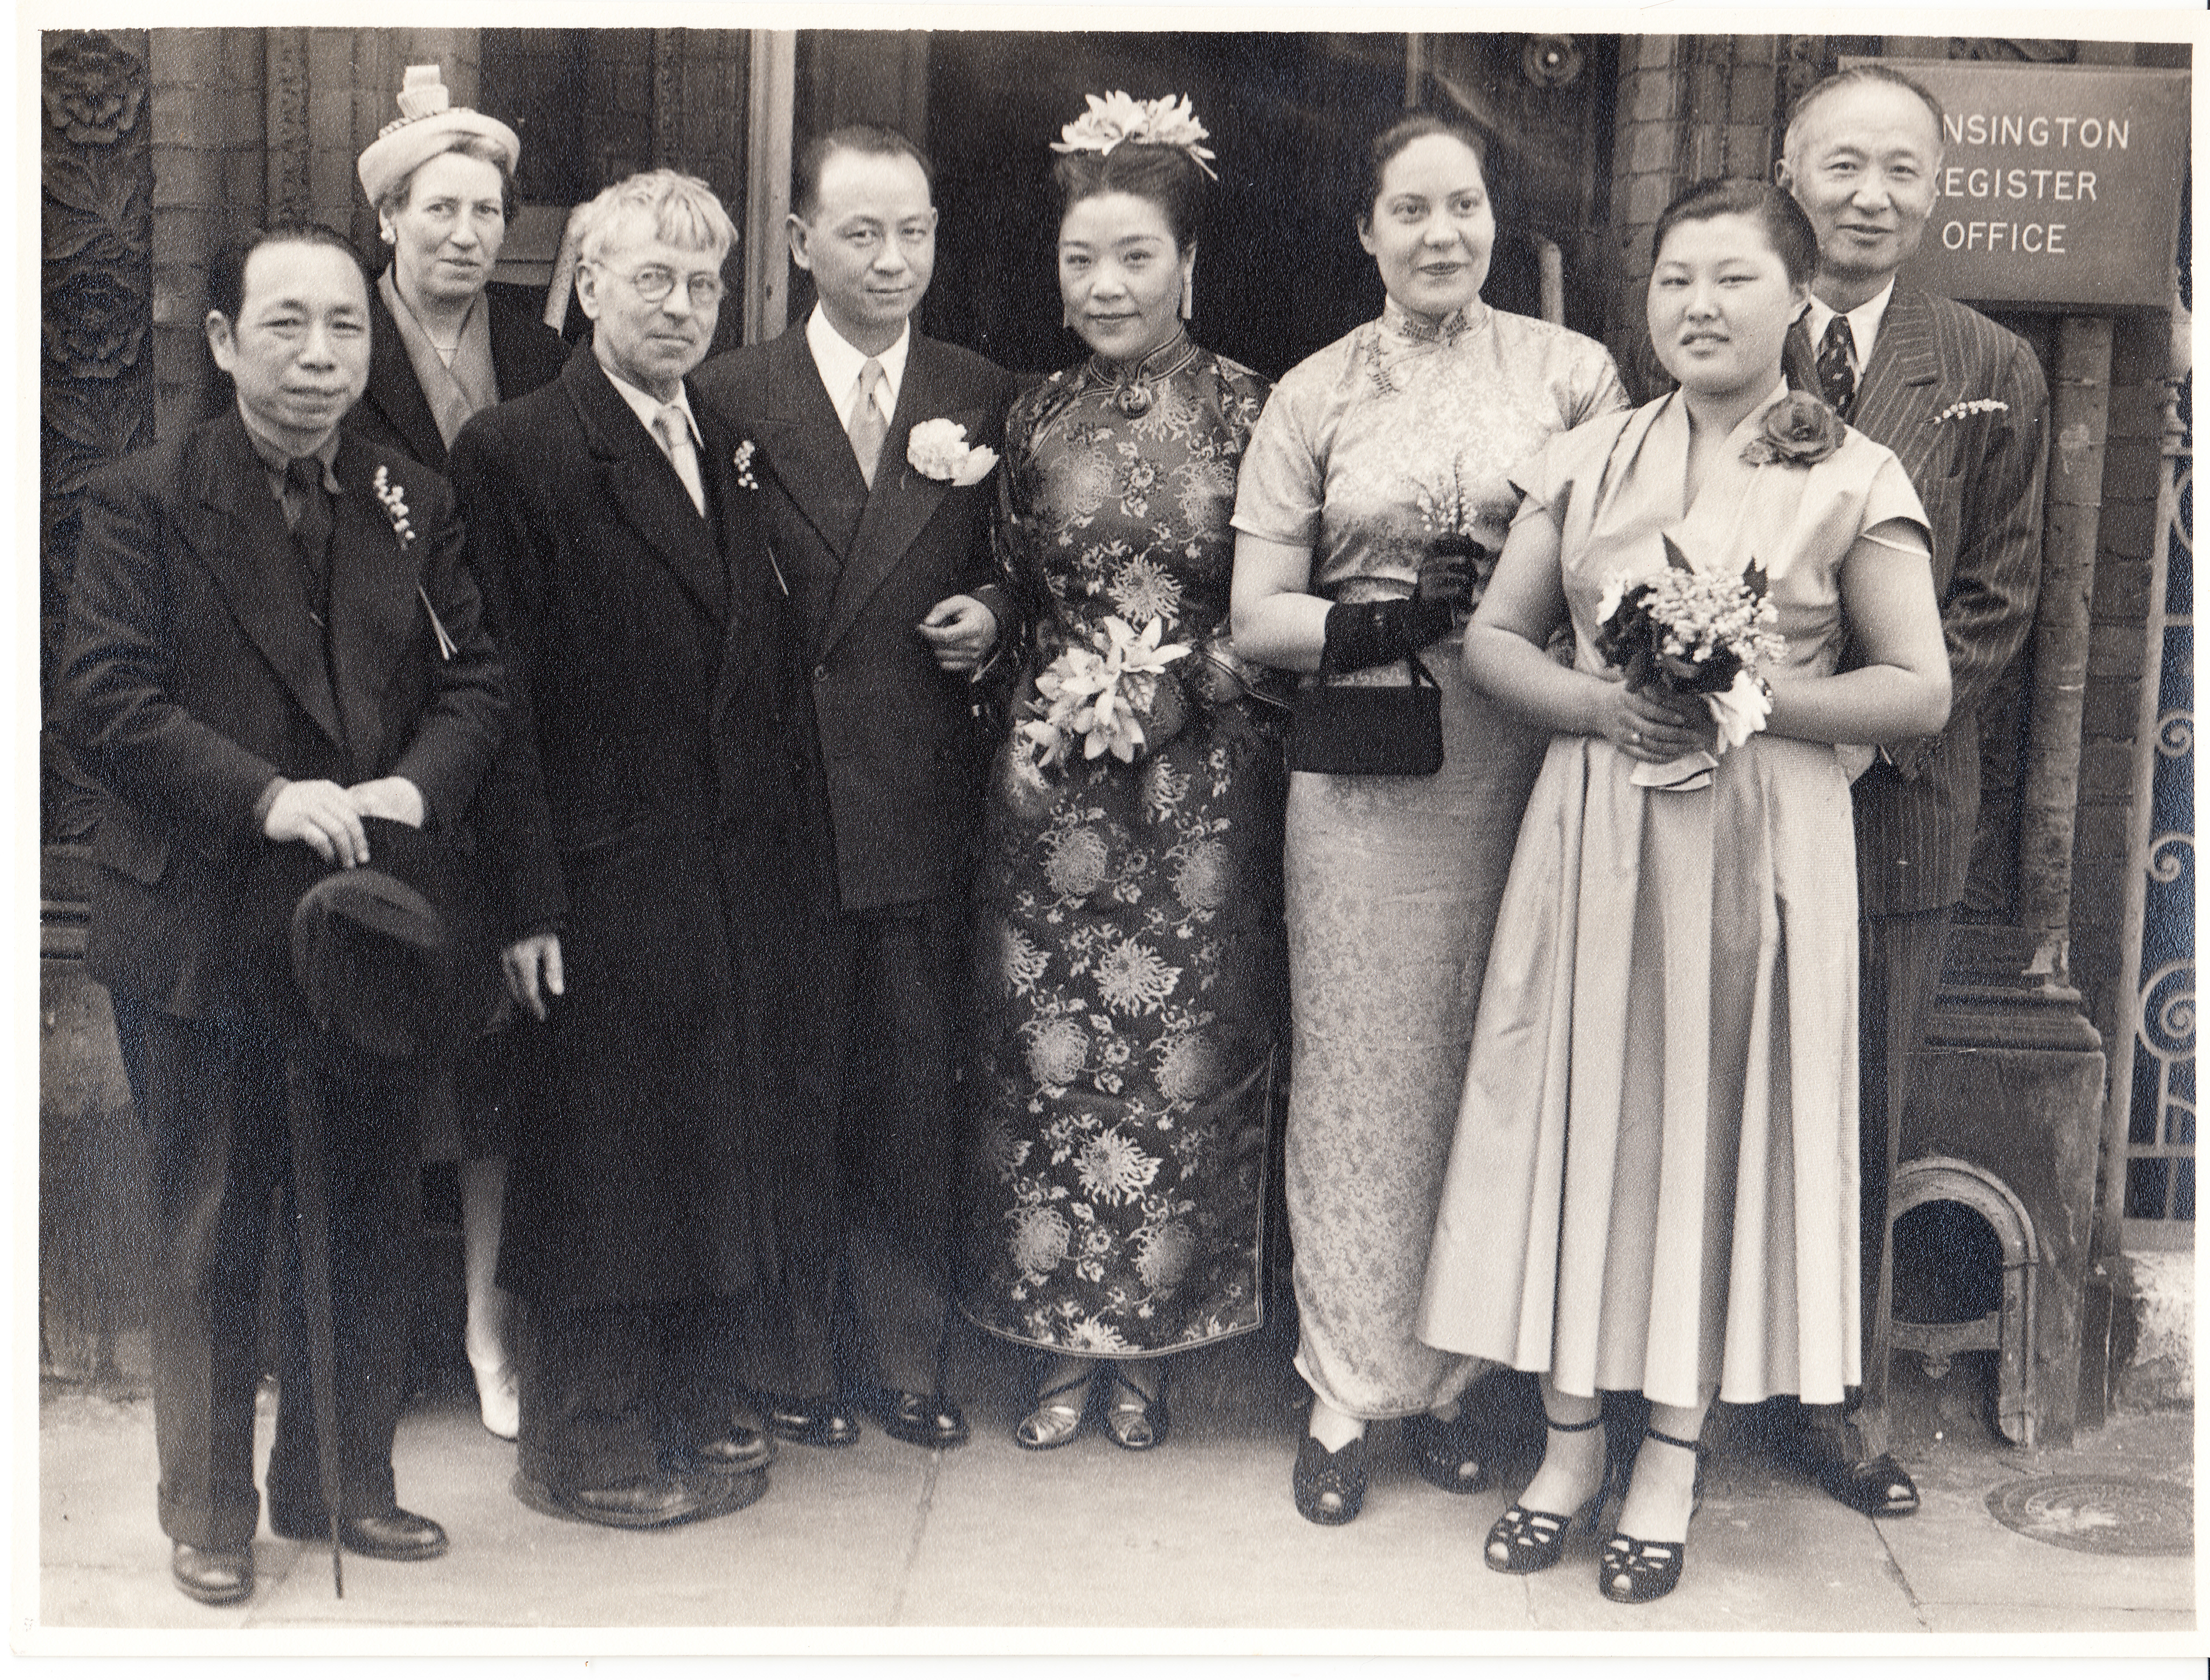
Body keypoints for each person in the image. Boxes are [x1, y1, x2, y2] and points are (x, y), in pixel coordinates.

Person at [1416, 178, 1951, 1605]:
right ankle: (1570, 1440)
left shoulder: (1852, 474)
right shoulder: (1587, 458)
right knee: (1591, 1119)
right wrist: (1605, 708)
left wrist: (1752, 696)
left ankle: (1673, 1453)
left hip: (1760, 848)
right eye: (1673, 282)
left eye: (1731, 281)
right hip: (1597, 830)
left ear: (1797, 301)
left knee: (1709, 1135)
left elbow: (1920, 690)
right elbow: (1493, 644)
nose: (1699, 308)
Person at [59, 224, 506, 1605]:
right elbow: (106, 700)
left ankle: (342, 1481)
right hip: (201, 915)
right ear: (222, 341)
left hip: (362, 918)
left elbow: (476, 682)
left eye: (345, 333)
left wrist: (412, 794)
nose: (321, 360)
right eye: (288, 329)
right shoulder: (141, 499)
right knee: (214, 1211)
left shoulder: (406, 498)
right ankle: (209, 1509)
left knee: (366, 1201)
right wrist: (267, 797)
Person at [1228, 111, 1625, 1525]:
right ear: (1366, 231)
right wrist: (1383, 614)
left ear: (1492, 223)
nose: (1440, 234)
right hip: (1367, 772)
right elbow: (1256, 614)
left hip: (1530, 757)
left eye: (1463, 206)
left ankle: (1464, 1389)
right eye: (1410, 211)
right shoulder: (1314, 394)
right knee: (1362, 1072)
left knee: (1497, 1064)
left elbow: (1624, 562)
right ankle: (1346, 1389)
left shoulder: (1576, 375)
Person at [448, 169, 804, 1529]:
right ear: (587, 286)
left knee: (706, 1142)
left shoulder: (721, 436)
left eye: (702, 281)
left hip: (716, 859)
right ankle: (580, 1440)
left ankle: (691, 1397)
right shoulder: (521, 449)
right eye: (649, 277)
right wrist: (527, 897)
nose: (679, 304)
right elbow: (505, 691)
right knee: (600, 1153)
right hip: (594, 863)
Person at [957, 95, 1287, 1452]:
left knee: (1176, 1071)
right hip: (1048, 797)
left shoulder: (1256, 412)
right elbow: (1010, 588)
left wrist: (1176, 692)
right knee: (1047, 1073)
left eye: (1136, 255)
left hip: (1199, 797)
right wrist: (988, 631)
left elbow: (1281, 622)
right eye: (1082, 257)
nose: (1105, 284)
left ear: (1189, 263)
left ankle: (1148, 1353)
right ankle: (1053, 1346)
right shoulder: (1026, 412)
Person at [692, 125, 1017, 1455]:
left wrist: (994, 610)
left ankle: (902, 1356)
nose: (893, 261)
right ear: (799, 244)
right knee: (790, 1086)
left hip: (920, 800)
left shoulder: (987, 393)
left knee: (908, 1089)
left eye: (916, 232)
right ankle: (794, 1357)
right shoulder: (726, 395)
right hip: (777, 800)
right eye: (863, 234)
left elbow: (1038, 557)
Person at [1775, 65, 2050, 1520]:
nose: (1871, 197)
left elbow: (2001, 601)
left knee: (1863, 1105)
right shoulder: (1728, 336)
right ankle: (1693, 1381)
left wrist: (1871, 735)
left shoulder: (1993, 364)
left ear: (1938, 190)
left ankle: (1846, 1403)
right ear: (1791, 168)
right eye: (1843, 167)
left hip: (1895, 801)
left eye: (1902, 172)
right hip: (1733, 794)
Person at [349, 62, 570, 1443]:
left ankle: (491, 1324)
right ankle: (365, 1333)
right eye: (440, 209)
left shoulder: (537, 363)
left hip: (511, 751)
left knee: (499, 1064)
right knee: (372, 1049)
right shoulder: (337, 348)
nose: (466, 235)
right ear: (390, 221)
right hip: (373, 744)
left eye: (488, 211)